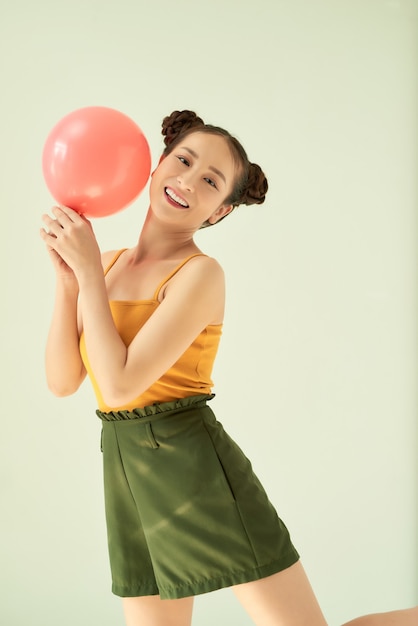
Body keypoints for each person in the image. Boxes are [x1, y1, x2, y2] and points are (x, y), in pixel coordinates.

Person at [40, 110, 417, 626]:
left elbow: (122, 384)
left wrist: (85, 272)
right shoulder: (103, 263)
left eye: (211, 181)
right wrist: (70, 283)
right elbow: (63, 383)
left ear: (219, 213)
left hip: (193, 465)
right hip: (125, 466)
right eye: (183, 161)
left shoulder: (200, 275)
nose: (188, 181)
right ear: (153, 168)